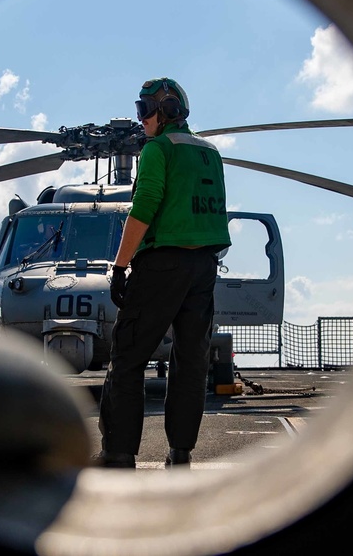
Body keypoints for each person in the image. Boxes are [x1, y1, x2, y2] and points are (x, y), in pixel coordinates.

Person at [93, 77, 232, 470]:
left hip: (161, 265)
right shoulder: (210, 153)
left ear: (167, 111)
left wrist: (120, 266)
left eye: (144, 111)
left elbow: (145, 206)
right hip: (204, 268)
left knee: (129, 357)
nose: (141, 121)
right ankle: (180, 455)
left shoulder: (157, 150)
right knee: (191, 362)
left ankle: (118, 454)